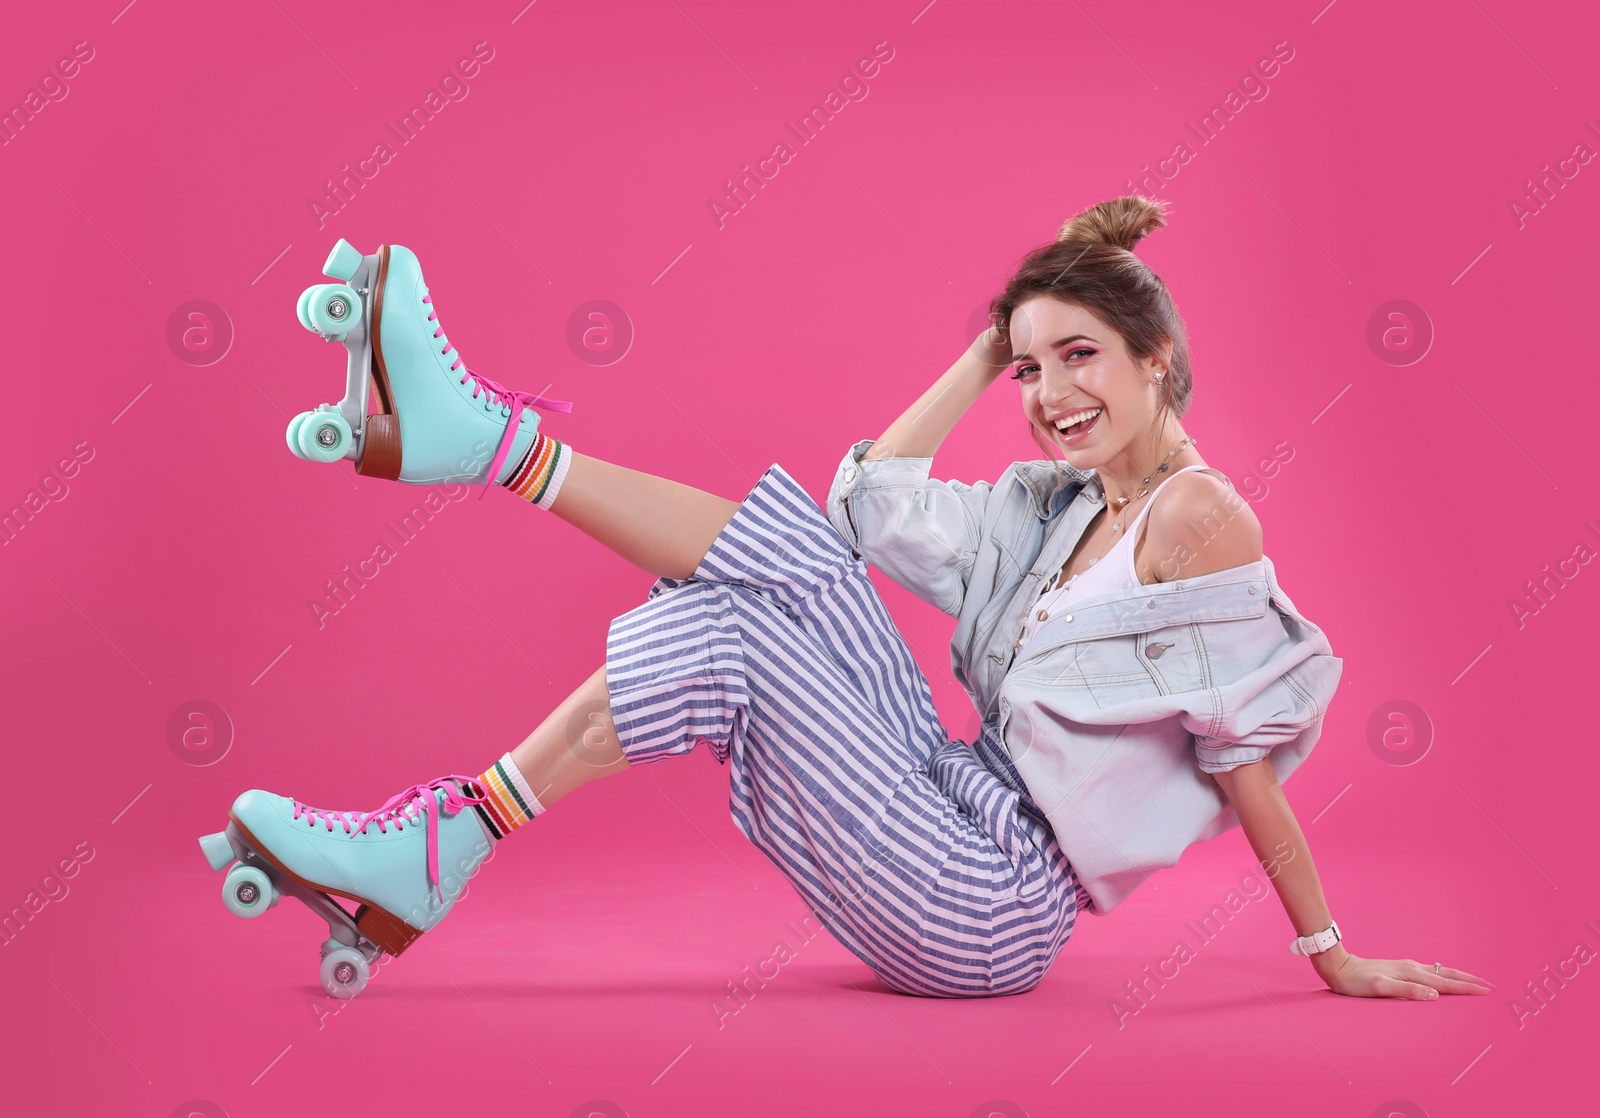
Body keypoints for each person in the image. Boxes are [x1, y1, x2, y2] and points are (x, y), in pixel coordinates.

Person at [205, 195, 1493, 1005]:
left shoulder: (1198, 519)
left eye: (1080, 357)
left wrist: (1330, 953)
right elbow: (864, 504)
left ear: (1160, 364)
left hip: (990, 899)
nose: (1049, 395)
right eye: (1030, 368)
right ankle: (440, 822)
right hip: (942, 799)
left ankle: (474, 457)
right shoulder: (1051, 506)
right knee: (785, 578)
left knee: (763, 611)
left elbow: (1243, 763)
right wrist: (984, 347)